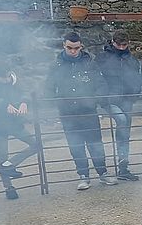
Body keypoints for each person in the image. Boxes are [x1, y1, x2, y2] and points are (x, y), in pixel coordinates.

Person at [48, 32, 116, 190]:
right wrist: (56, 103)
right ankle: (83, 176)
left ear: (81, 46)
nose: (73, 51)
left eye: (76, 48)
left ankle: (102, 173)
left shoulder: (89, 62)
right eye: (70, 48)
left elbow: (101, 84)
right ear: (64, 46)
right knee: (75, 144)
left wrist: (95, 99)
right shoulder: (56, 65)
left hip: (88, 111)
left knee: (95, 143)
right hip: (68, 113)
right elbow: (48, 88)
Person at [95, 30, 142, 181]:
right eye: (119, 45)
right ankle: (116, 166)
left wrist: (134, 95)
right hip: (109, 100)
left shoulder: (131, 59)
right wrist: (103, 98)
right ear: (113, 42)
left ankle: (123, 168)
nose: (122, 48)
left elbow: (137, 78)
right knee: (121, 121)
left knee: (125, 133)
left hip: (127, 100)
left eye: (124, 45)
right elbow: (96, 78)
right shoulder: (102, 58)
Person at [0, 64, 38, 200]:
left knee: (36, 144)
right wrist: (4, 105)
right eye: (4, 78)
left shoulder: (16, 79)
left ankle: (10, 164)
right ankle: (8, 187)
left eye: (8, 76)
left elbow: (26, 91)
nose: (7, 79)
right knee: (2, 154)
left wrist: (24, 102)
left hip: (15, 123)